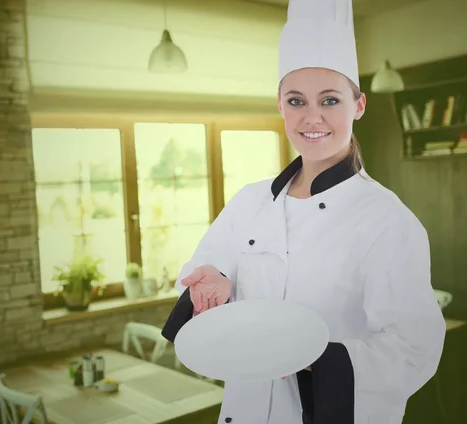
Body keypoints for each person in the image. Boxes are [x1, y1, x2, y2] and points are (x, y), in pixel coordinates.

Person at [160, 0, 447, 423]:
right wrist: (214, 286)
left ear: (359, 105)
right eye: (296, 101)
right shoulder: (249, 201)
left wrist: (316, 358)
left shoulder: (387, 220)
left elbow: (414, 347)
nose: (312, 117)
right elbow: (204, 278)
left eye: (330, 100)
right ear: (279, 104)